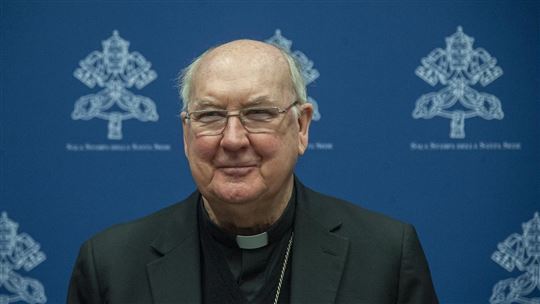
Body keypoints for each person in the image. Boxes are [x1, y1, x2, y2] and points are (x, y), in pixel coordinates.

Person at [67, 39, 439, 304]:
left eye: (259, 114)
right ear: (186, 133)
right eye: (210, 116)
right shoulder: (111, 266)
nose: (232, 140)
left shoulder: (386, 256)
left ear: (302, 127)